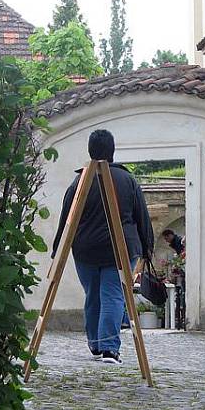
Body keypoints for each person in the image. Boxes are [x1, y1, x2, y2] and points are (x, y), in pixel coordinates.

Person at [51, 130, 154, 365]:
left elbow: (66, 217)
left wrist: (58, 248)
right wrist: (147, 247)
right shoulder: (127, 180)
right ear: (113, 150)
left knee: (93, 296)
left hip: (85, 249)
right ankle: (109, 348)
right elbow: (142, 216)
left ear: (90, 150)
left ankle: (96, 345)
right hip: (120, 249)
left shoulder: (79, 180)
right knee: (113, 295)